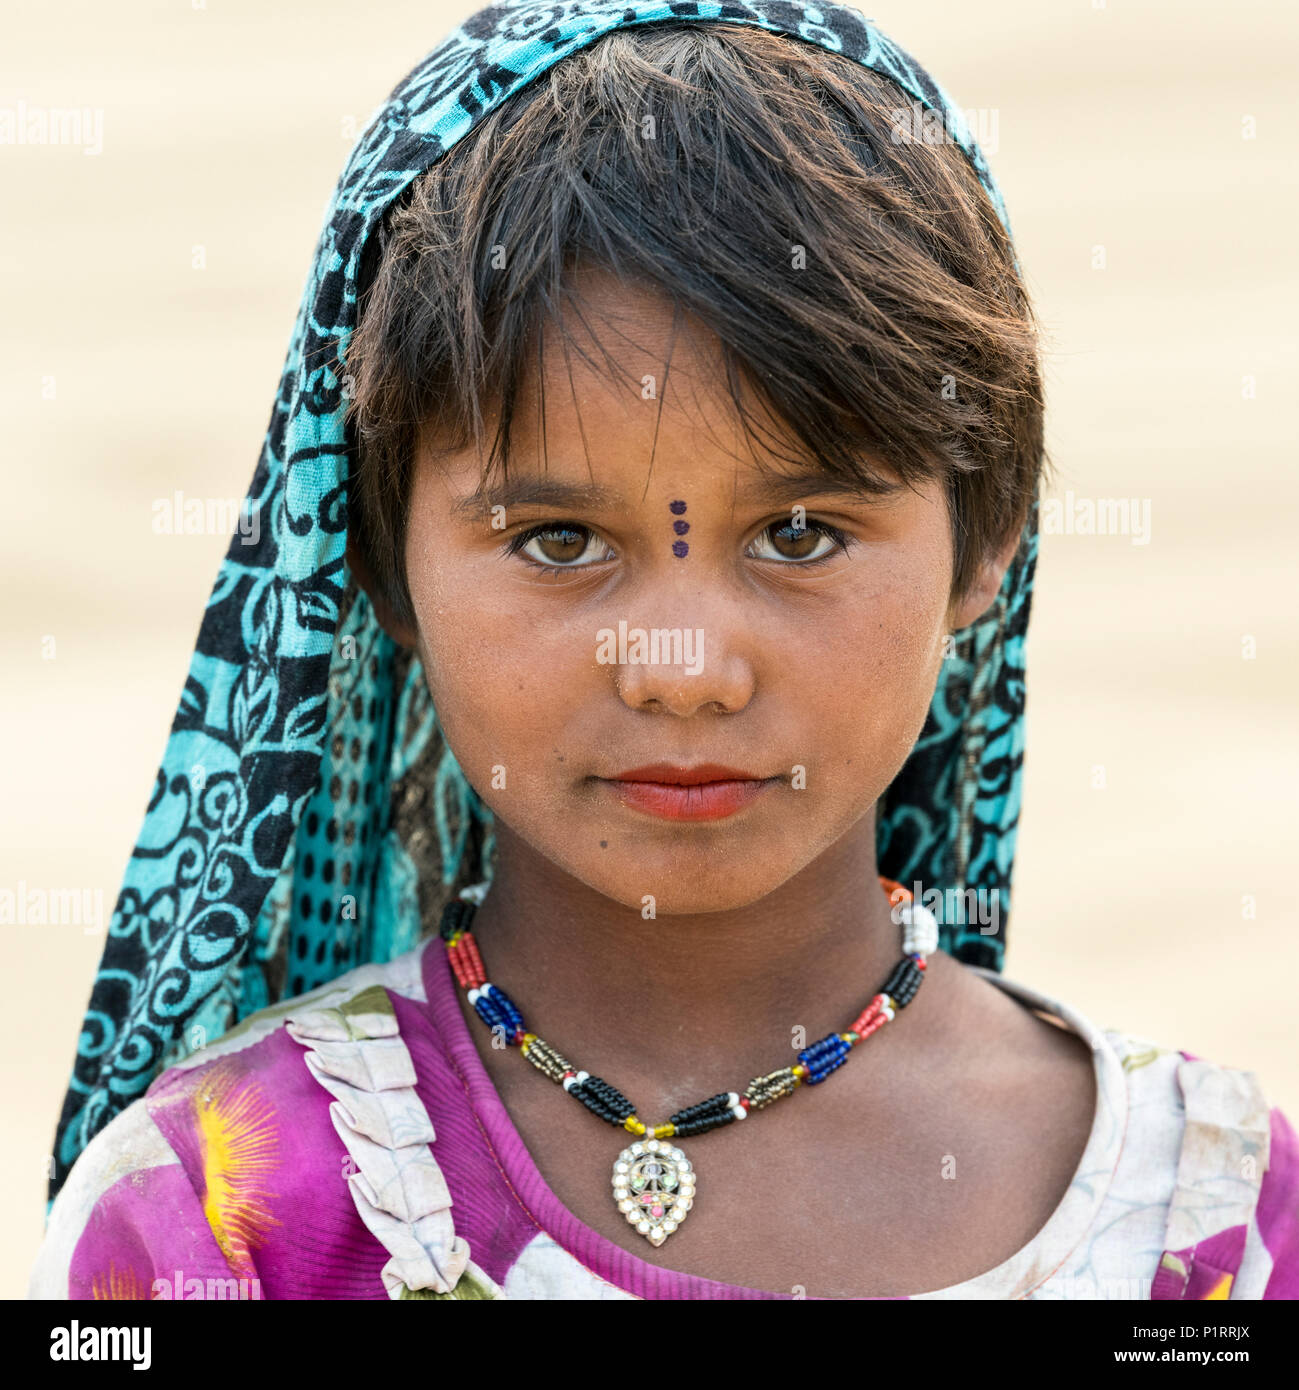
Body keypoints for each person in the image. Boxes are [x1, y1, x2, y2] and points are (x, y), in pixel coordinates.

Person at [31, 1, 1298, 1301]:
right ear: (375, 559)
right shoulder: (215, 1218)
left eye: (800, 532)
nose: (685, 667)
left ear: (988, 541)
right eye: (560, 538)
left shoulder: (1208, 1228)